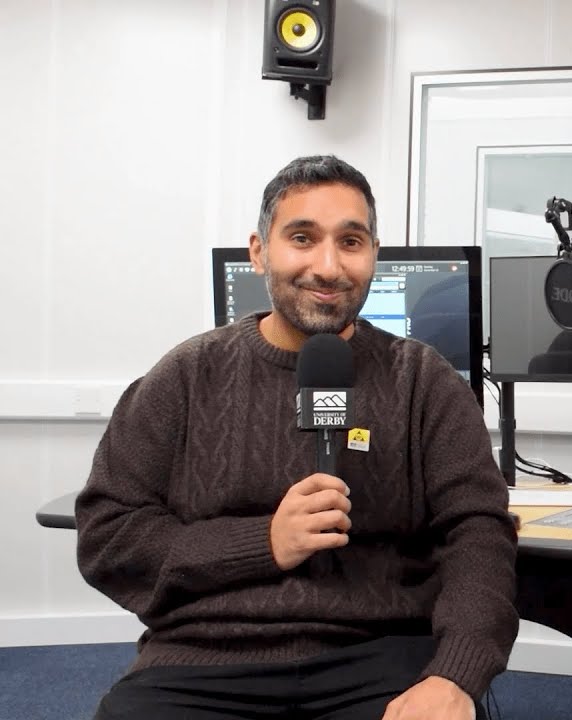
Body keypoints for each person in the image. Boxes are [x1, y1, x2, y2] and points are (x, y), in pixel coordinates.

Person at [75, 155, 517, 720]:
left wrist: (455, 675)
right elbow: (108, 534)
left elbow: (478, 534)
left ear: (374, 254)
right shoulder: (184, 376)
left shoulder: (423, 381)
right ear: (259, 251)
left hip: (382, 656)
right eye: (302, 238)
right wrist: (263, 542)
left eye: (351, 242)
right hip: (203, 659)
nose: (328, 266)